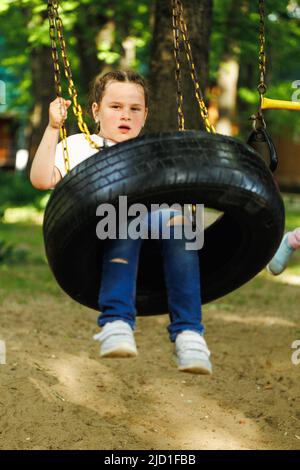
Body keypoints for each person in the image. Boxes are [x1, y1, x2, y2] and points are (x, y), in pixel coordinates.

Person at [30, 70, 212, 375]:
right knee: (126, 212)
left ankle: (189, 334)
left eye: (134, 108)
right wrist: (52, 128)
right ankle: (116, 322)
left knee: (181, 221)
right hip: (95, 238)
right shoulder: (78, 145)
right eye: (115, 107)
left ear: (145, 115)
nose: (125, 115)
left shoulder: (155, 153)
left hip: (152, 244)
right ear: (96, 111)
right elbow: (40, 179)